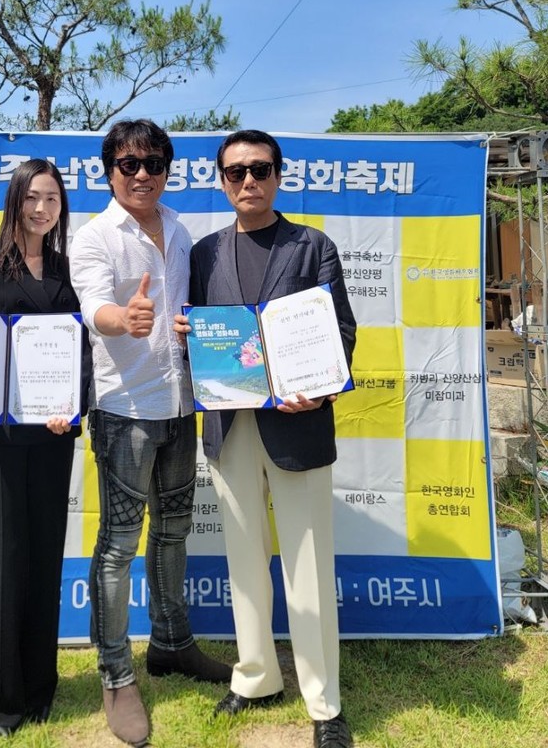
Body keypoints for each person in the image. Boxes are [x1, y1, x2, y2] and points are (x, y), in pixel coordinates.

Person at [175, 129, 356, 748]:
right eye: (235, 172)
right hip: (230, 424)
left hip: (298, 420)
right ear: (222, 181)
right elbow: (199, 336)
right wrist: (187, 335)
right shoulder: (203, 254)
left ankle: (324, 704)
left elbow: (341, 331)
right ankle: (255, 677)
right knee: (243, 558)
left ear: (278, 175)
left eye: (259, 169)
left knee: (309, 563)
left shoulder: (313, 245)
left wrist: (323, 387)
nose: (248, 181)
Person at [69, 119, 231, 747]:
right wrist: (124, 317)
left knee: (174, 531)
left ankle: (171, 643)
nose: (142, 175)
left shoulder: (181, 230)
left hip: (180, 404)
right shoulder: (94, 237)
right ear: (109, 170)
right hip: (124, 410)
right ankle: (116, 674)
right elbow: (94, 308)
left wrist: (186, 326)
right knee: (117, 546)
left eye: (154, 164)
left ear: (167, 169)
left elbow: (187, 309)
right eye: (129, 164)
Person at [0, 158, 90, 737]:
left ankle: (40, 689)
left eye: (52, 199)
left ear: (62, 207)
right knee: (1, 562)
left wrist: (73, 407)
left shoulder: (67, 269)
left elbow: (79, 349)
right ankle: (2, 702)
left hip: (52, 435)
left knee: (43, 556)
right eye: (32, 197)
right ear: (15, 199)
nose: (42, 208)